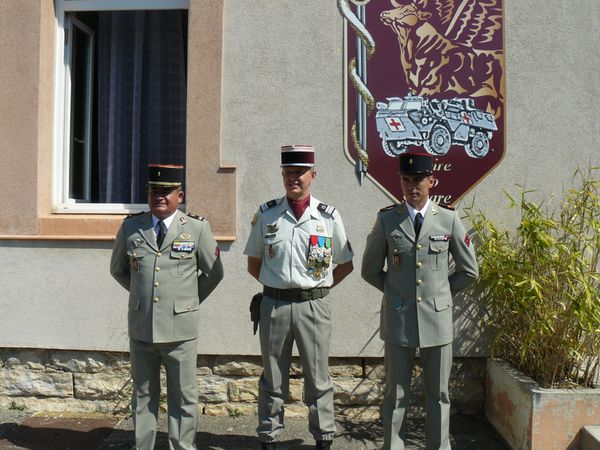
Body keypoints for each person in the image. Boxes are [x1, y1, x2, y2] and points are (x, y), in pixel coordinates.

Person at [361, 152, 478, 450]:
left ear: (432, 181)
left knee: (438, 394)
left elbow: (469, 271)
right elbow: (370, 270)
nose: (412, 186)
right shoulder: (388, 219)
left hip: (436, 321)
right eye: (406, 179)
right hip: (399, 318)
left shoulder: (448, 219)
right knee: (395, 395)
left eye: (419, 180)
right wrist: (395, 293)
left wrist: (440, 295)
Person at [244, 145, 354, 450]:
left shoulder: (328, 217)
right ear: (283, 175)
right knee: (272, 377)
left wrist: (318, 289)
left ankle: (323, 438)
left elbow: (345, 263)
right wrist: (278, 286)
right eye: (288, 172)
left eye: (300, 173)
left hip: (313, 307)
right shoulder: (267, 215)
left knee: (319, 377)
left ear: (313, 175)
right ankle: (269, 437)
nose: (294, 178)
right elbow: (254, 263)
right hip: (275, 305)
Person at [110, 164, 224, 450]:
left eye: (166, 192)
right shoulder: (131, 227)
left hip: (180, 331)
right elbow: (119, 270)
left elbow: (215, 273)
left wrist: (188, 302)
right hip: (142, 328)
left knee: (183, 397)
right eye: (153, 191)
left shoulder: (197, 228)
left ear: (179, 195)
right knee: (143, 396)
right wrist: (142, 296)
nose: (159, 196)